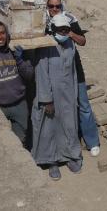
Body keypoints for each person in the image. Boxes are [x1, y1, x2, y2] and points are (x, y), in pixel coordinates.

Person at [45, 0, 100, 157]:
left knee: (83, 104)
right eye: (51, 6)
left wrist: (69, 33)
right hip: (54, 69)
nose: (54, 9)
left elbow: (82, 41)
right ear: (47, 7)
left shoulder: (69, 18)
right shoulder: (42, 20)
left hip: (74, 67)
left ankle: (92, 141)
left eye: (58, 6)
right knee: (59, 106)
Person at [31, 13, 83, 181]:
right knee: (49, 129)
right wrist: (46, 99)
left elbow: (72, 72)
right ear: (53, 29)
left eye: (66, 29)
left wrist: (74, 94)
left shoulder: (70, 45)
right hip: (51, 97)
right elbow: (42, 73)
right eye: (60, 29)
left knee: (68, 125)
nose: (63, 32)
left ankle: (69, 156)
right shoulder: (45, 46)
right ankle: (52, 161)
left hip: (67, 94)